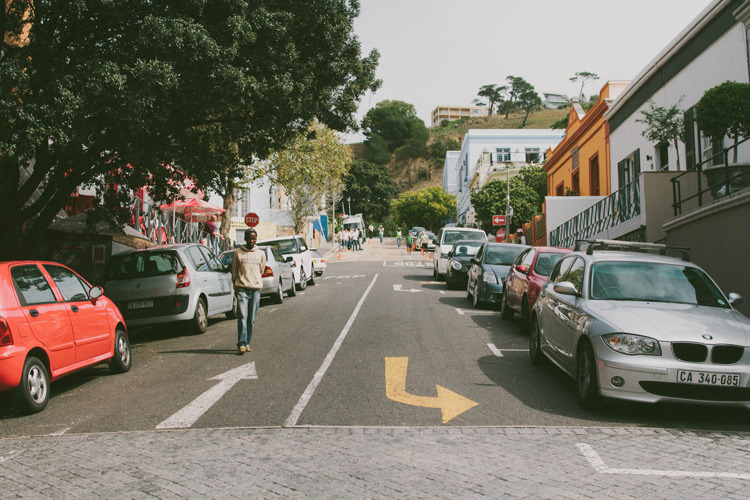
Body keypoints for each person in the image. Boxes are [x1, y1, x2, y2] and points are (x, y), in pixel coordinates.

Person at [231, 228, 266, 355]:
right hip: (242, 289)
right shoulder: (238, 253)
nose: (251, 241)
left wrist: (255, 281)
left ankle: (247, 342)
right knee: (242, 316)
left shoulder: (260, 254)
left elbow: (261, 270)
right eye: (249, 238)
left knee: (251, 319)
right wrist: (235, 286)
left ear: (256, 239)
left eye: (253, 238)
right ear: (245, 239)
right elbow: (234, 271)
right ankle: (241, 343)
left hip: (255, 289)